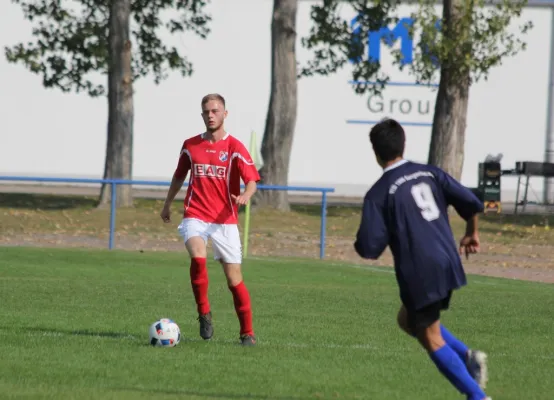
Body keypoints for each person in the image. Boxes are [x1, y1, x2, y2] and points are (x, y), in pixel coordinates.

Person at [354, 118, 491, 400]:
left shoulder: (379, 193)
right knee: (407, 319)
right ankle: (468, 357)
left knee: (430, 337)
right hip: (448, 260)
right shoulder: (430, 173)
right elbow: (470, 202)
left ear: (375, 152)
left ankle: (478, 397)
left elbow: (369, 247)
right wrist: (472, 233)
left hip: (420, 269)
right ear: (403, 144)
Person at [160, 93, 260, 346]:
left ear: (225, 114)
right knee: (197, 254)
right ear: (202, 114)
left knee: (234, 280)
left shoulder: (234, 147)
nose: (211, 115)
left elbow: (251, 180)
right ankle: (204, 312)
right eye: (206, 111)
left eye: (215, 111)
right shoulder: (191, 145)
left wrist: (246, 195)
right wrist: (167, 203)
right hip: (196, 214)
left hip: (225, 221)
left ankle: (247, 333)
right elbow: (179, 176)